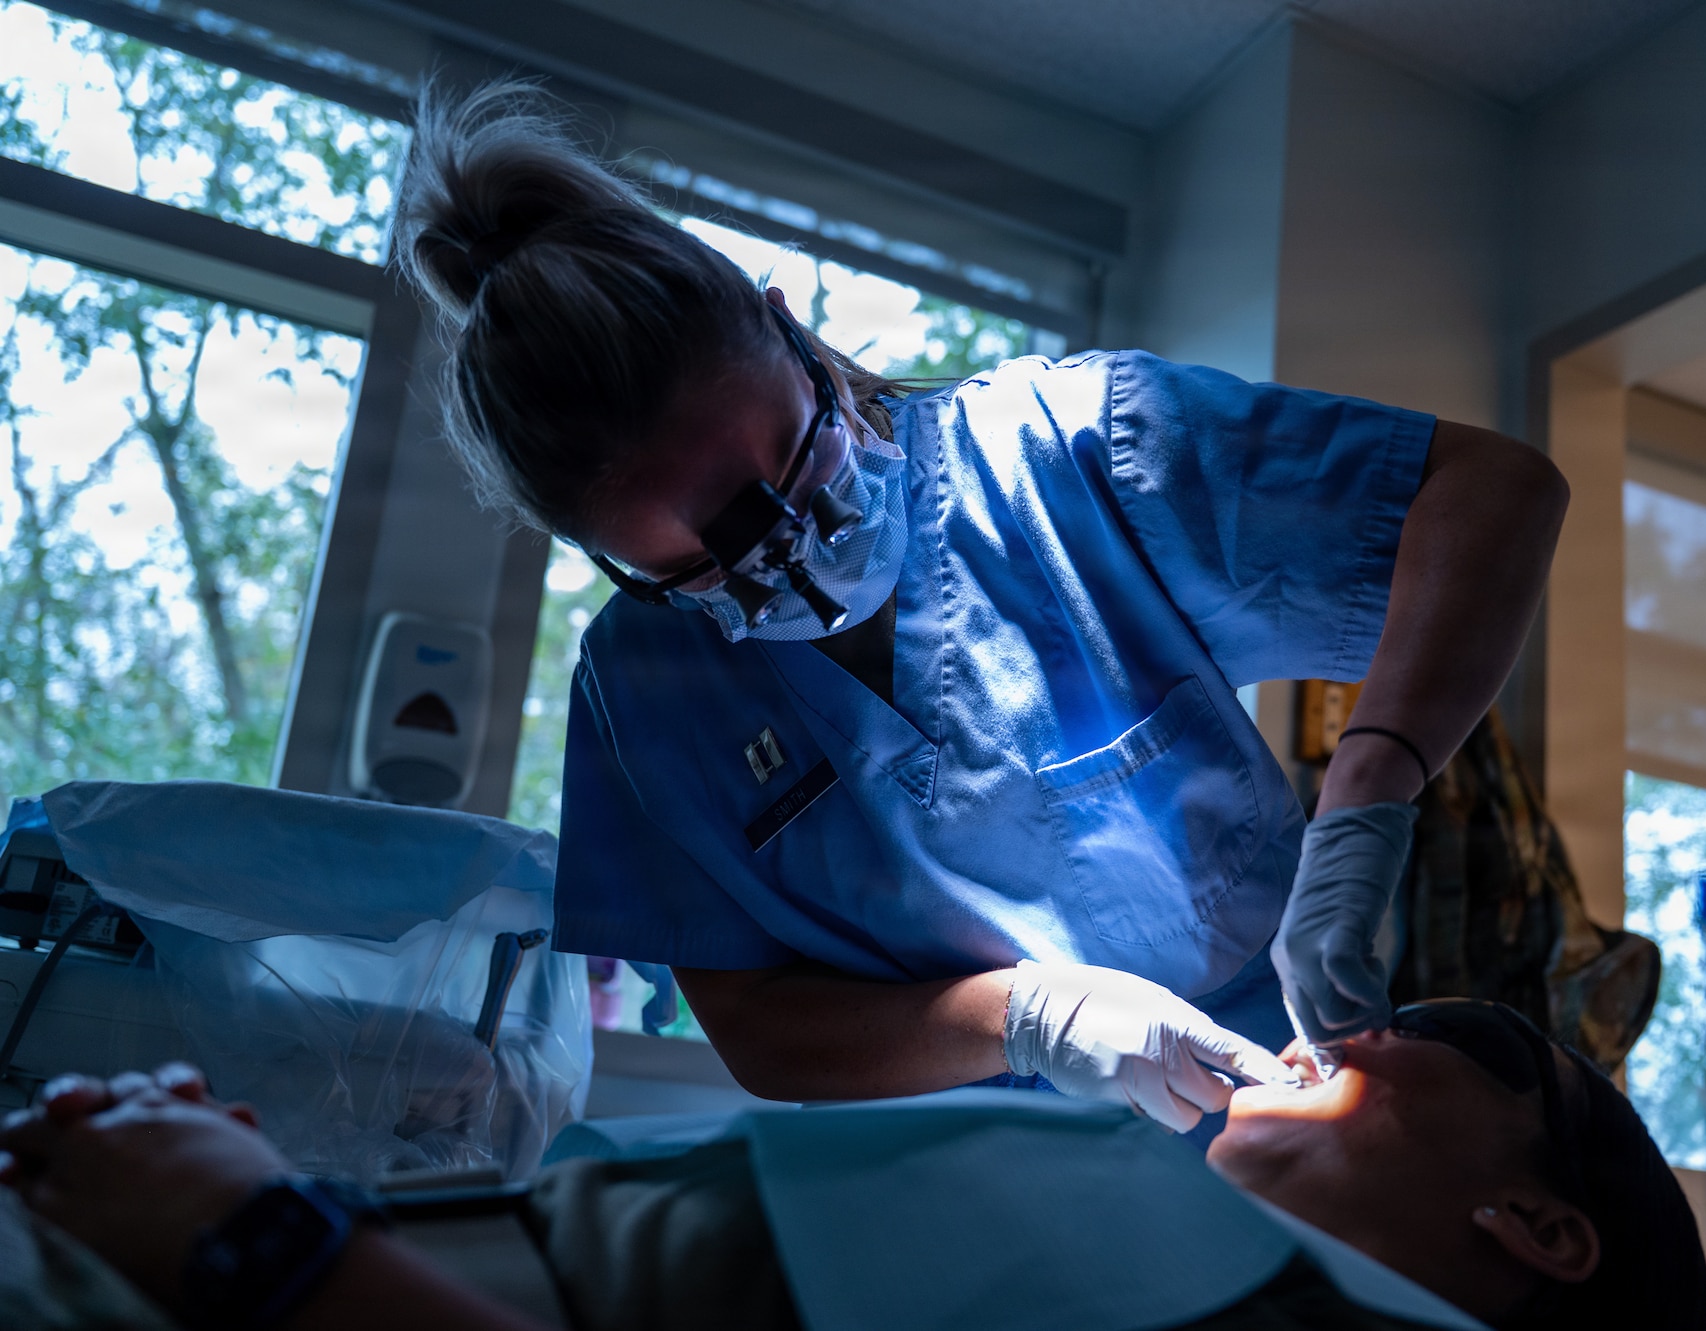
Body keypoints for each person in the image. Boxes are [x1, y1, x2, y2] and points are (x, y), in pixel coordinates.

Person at [390, 85, 1570, 1131]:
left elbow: (1491, 494)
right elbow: (757, 1028)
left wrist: (1369, 786)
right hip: (965, 1184)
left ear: (790, 330)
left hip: (1283, 1082)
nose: (790, 556)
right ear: (600, 556)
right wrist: (1022, 1017)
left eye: (795, 469)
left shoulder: (1069, 455)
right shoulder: (639, 693)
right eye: (707, 565)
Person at [0, 1001, 1706, 1331]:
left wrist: (253, 1243)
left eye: (1454, 1041)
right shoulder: (1205, 1256)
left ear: (1538, 1226)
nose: (1353, 1021)